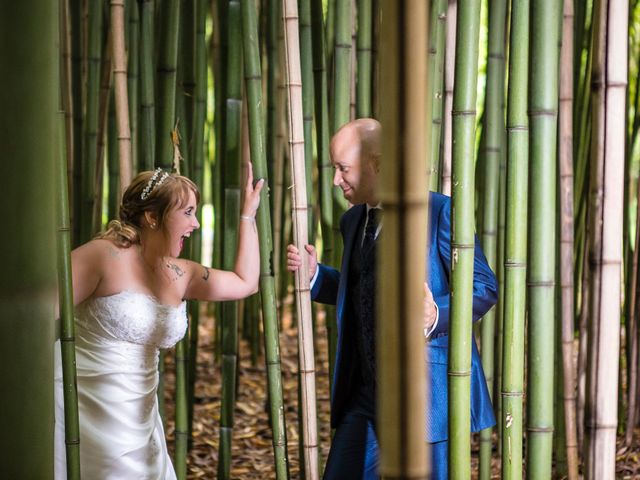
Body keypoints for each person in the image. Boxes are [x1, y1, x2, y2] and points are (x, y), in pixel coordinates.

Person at [287, 118, 498, 479]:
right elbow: (361, 290)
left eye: (343, 169)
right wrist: (316, 276)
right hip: (366, 391)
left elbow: (484, 286)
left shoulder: (438, 212)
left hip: (424, 392)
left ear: (379, 164)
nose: (336, 181)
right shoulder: (352, 220)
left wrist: (435, 314)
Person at [54, 165, 264, 479]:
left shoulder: (180, 273)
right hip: (82, 408)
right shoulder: (102, 257)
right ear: (153, 217)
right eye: (188, 212)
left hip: (140, 417)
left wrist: (248, 215)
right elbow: (35, 315)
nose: (194, 223)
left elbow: (245, 282)